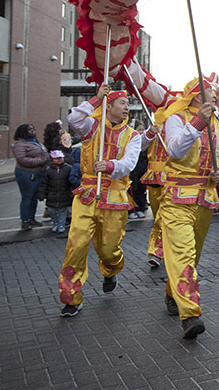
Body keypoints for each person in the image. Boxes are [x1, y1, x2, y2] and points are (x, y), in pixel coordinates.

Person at [154, 76, 219, 339]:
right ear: (198, 96)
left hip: (205, 200)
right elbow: (175, 150)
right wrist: (198, 121)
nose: (216, 93)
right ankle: (191, 314)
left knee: (191, 256)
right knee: (183, 255)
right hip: (177, 198)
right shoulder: (176, 118)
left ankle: (171, 292)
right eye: (210, 90)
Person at [58, 84, 142, 318]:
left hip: (114, 197)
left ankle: (110, 269)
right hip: (86, 195)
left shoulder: (132, 136)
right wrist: (96, 99)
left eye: (127, 104)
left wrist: (111, 166)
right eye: (122, 103)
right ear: (110, 106)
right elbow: (73, 117)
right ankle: (71, 297)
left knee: (108, 249)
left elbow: (129, 163)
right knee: (76, 246)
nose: (126, 107)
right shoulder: (91, 127)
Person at [140, 123, 169, 268]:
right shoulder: (153, 127)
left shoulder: (179, 124)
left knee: (162, 218)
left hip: (171, 179)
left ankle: (157, 252)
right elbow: (141, 146)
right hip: (153, 177)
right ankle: (166, 249)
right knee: (158, 215)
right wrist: (150, 133)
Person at [12, 123, 49, 230]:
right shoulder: (20, 144)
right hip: (26, 173)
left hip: (39, 173)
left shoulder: (35, 142)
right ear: (23, 132)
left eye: (33, 129)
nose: (32, 131)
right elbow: (22, 160)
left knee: (34, 197)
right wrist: (41, 161)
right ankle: (25, 220)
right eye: (29, 130)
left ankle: (32, 218)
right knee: (27, 197)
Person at [38, 150, 74, 236]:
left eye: (60, 158)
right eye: (57, 158)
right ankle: (55, 223)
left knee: (62, 211)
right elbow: (44, 183)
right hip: (52, 194)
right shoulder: (48, 170)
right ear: (53, 159)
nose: (59, 160)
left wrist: (71, 192)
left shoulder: (68, 169)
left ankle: (61, 225)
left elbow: (71, 182)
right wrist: (42, 193)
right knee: (51, 211)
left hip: (64, 194)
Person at [128, 122, 149, 219]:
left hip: (142, 170)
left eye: (142, 129)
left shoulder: (145, 143)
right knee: (132, 189)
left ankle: (140, 208)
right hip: (133, 171)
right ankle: (132, 209)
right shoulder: (130, 139)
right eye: (139, 129)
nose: (141, 132)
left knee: (141, 189)